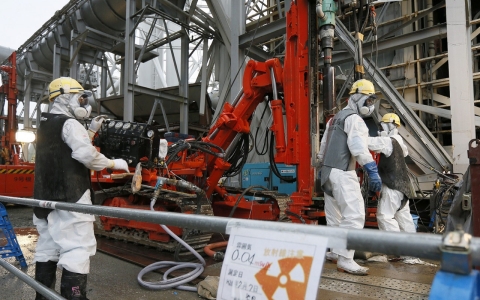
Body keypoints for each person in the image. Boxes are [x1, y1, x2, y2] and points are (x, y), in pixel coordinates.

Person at [33, 77, 129, 300]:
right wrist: (114, 163)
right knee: (77, 248)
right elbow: (85, 155)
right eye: (80, 98)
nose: (84, 103)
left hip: (43, 199)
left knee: (48, 247)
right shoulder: (70, 124)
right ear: (65, 97)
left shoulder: (45, 124)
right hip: (72, 197)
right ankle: (74, 296)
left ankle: (42, 297)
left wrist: (92, 131)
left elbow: (66, 146)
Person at [318, 79, 382, 275]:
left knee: (335, 217)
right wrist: (372, 170)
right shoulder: (354, 119)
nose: (370, 105)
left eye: (372, 101)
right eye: (368, 100)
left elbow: (322, 150)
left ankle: (336, 252)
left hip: (326, 173)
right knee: (354, 216)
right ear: (356, 97)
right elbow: (358, 148)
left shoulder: (333, 119)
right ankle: (346, 259)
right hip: (344, 173)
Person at [368, 113, 416, 233]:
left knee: (384, 217)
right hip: (404, 188)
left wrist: (356, 135)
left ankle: (395, 246)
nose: (380, 130)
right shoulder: (399, 141)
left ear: (391, 126)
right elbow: (404, 153)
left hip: (392, 187)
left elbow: (369, 143)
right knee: (404, 219)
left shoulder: (388, 141)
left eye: (382, 127)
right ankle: (412, 249)